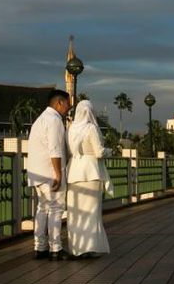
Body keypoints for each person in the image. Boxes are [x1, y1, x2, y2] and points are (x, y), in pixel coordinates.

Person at [26, 89, 71, 260]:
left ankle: (40, 246)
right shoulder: (54, 120)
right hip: (49, 172)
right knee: (56, 209)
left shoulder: (40, 120)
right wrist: (58, 174)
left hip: (37, 173)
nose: (69, 107)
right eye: (67, 103)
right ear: (59, 102)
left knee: (42, 208)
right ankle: (56, 248)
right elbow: (55, 149)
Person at [66, 100, 111, 258]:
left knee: (75, 212)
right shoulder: (91, 128)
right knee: (91, 212)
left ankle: (77, 248)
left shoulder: (71, 129)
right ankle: (89, 248)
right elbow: (98, 152)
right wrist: (109, 152)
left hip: (73, 172)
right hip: (91, 173)